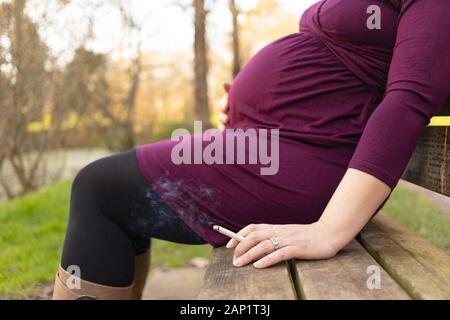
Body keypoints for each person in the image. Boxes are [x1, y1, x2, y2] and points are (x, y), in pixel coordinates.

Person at [52, 0, 450, 300]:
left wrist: (329, 230)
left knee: (99, 189)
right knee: (110, 192)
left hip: (315, 166)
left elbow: (409, 100)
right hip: (284, 145)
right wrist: (249, 103)